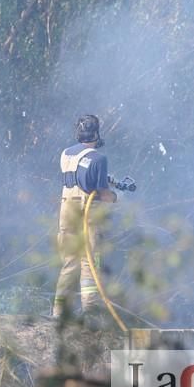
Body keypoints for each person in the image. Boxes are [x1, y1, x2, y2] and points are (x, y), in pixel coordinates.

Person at [51, 115, 117, 318]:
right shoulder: (99, 158)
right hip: (87, 213)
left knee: (69, 261)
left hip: (66, 211)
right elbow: (103, 194)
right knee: (91, 260)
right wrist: (115, 197)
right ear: (96, 134)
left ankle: (59, 312)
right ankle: (90, 310)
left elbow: (80, 174)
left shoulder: (65, 154)